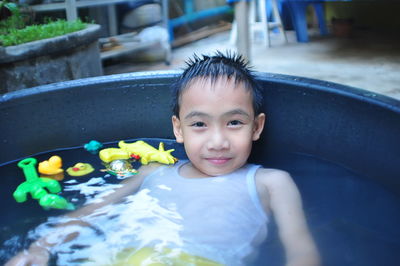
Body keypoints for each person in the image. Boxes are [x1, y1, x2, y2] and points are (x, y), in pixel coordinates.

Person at [6, 52, 320, 266]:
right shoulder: (153, 171)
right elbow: (93, 211)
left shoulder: (270, 182)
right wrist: (40, 248)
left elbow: (300, 247)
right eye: (199, 124)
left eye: (234, 123)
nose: (217, 141)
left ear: (257, 126)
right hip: (121, 256)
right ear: (178, 129)